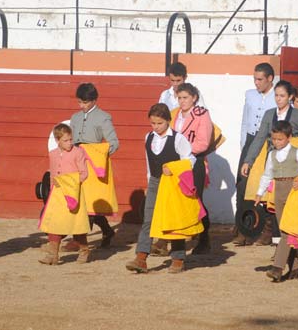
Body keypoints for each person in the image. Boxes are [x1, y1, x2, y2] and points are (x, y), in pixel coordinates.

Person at [241, 80, 298, 246]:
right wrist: (248, 160)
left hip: (291, 165)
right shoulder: (269, 114)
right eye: (276, 95)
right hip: (272, 161)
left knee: (286, 201)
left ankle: (286, 238)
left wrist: (289, 145)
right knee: (270, 199)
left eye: (282, 96)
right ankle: (272, 235)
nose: (278, 99)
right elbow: (260, 138)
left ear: (290, 97)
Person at [126, 103, 196, 274]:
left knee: (173, 221)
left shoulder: (178, 139)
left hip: (172, 184)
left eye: (160, 123)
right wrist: (149, 182)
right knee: (148, 218)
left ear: (168, 121)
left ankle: (178, 259)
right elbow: (150, 164)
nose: (156, 127)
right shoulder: (148, 137)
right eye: (153, 123)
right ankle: (141, 258)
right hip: (156, 182)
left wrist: (173, 168)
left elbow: (190, 160)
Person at [255, 121, 298, 282]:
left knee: (288, 231)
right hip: (278, 191)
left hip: (294, 191)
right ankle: (295, 268)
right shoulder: (272, 155)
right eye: (274, 139)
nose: (276, 142)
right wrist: (259, 193)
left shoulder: (297, 152)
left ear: (289, 137)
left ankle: (277, 268)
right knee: (284, 231)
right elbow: (267, 175)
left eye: (280, 139)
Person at [70, 83, 119, 249]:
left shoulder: (103, 117)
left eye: (85, 102)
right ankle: (107, 230)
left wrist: (99, 159)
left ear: (94, 100)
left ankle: (79, 239)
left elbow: (113, 143)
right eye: (80, 102)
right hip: (76, 162)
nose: (82, 106)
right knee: (81, 201)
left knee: (88, 202)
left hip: (93, 164)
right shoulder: (75, 118)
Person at [233, 62, 276, 245]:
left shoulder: (278, 96)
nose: (256, 83)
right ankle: (244, 229)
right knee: (243, 184)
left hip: (270, 142)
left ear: (270, 79)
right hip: (251, 141)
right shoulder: (250, 95)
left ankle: (266, 231)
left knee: (266, 185)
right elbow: (245, 121)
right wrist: (245, 144)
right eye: (254, 79)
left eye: (259, 79)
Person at [38, 124, 90, 265]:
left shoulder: (78, 152)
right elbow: (52, 174)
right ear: (57, 140)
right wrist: (51, 191)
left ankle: (84, 249)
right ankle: (52, 255)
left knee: (75, 225)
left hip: (73, 193)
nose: (69, 143)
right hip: (57, 194)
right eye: (66, 140)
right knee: (54, 224)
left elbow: (84, 174)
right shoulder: (53, 154)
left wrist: (68, 182)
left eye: (70, 139)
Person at [171, 83, 213, 254]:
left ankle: (204, 238)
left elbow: (203, 142)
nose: (182, 101)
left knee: (196, 201)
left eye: (185, 98)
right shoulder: (175, 115)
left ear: (194, 98)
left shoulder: (202, 115)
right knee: (176, 201)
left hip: (194, 162)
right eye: (179, 98)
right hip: (177, 164)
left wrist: (183, 152)